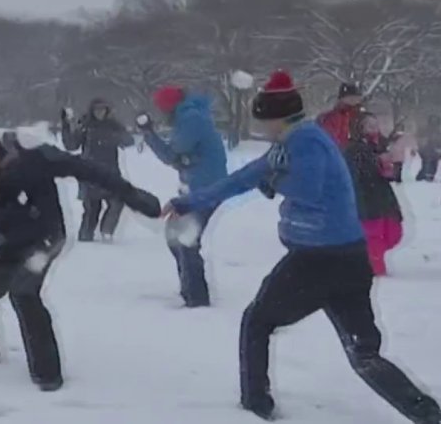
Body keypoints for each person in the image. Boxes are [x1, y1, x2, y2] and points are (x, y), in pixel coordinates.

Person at [164, 71, 441, 423]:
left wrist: (275, 179)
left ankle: (255, 406)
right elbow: (245, 177)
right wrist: (193, 201)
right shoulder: (293, 141)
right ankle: (427, 415)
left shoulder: (307, 142)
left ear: (275, 116)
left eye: (262, 119)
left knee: (257, 321)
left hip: (317, 260)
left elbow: (307, 189)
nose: (261, 127)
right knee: (363, 354)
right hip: (349, 258)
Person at [0, 117, 161, 391]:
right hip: (12, 240)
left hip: (45, 237)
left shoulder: (29, 156)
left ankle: (48, 375)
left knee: (23, 293)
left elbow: (84, 168)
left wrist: (131, 195)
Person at [138, 86, 228, 308]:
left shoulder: (190, 119)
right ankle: (190, 288)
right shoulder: (191, 116)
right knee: (176, 234)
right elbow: (179, 155)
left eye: (160, 108)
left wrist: (149, 132)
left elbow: (172, 153)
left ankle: (196, 297)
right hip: (202, 186)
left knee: (185, 239)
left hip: (205, 188)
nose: (160, 113)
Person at [61, 99, 135, 242]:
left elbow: (128, 141)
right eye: (97, 110)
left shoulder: (113, 126)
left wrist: (117, 136)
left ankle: (107, 232)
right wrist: (66, 125)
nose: (100, 112)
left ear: (107, 111)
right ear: (92, 111)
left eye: (103, 109)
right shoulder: (86, 126)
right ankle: (85, 239)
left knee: (117, 202)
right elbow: (71, 145)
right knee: (91, 209)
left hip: (110, 172)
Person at [347, 114, 405, 276]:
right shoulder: (353, 148)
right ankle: (374, 269)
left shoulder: (380, 145)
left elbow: (393, 175)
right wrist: (378, 162)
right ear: (359, 129)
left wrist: (395, 163)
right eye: (370, 126)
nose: (375, 129)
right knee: (373, 236)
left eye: (376, 125)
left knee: (393, 233)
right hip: (365, 199)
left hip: (383, 198)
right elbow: (358, 172)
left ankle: (368, 260)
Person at [317, 82, 366, 151]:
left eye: (357, 99)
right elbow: (328, 139)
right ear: (342, 99)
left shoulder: (362, 116)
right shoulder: (333, 117)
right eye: (351, 99)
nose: (355, 101)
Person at [417, 115, 441, 182]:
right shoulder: (425, 130)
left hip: (435, 152)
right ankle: (423, 177)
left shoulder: (438, 132)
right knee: (426, 165)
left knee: (433, 166)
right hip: (427, 152)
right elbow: (420, 140)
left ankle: (429, 177)